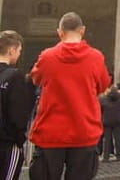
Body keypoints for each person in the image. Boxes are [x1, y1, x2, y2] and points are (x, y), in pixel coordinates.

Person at [28, 12, 111, 180]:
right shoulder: (96, 58)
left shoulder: (47, 57)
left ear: (60, 32)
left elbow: (36, 78)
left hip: (50, 131)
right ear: (82, 30)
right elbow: (103, 86)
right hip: (84, 130)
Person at [0, 31, 35, 180]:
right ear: (11, 50)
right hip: (7, 143)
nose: (19, 54)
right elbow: (18, 114)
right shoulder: (14, 76)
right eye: (19, 51)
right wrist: (20, 139)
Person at [99, 85, 120, 161]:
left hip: (107, 121)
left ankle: (106, 157)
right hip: (117, 121)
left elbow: (100, 109)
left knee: (107, 140)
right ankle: (119, 155)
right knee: (117, 139)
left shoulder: (104, 99)